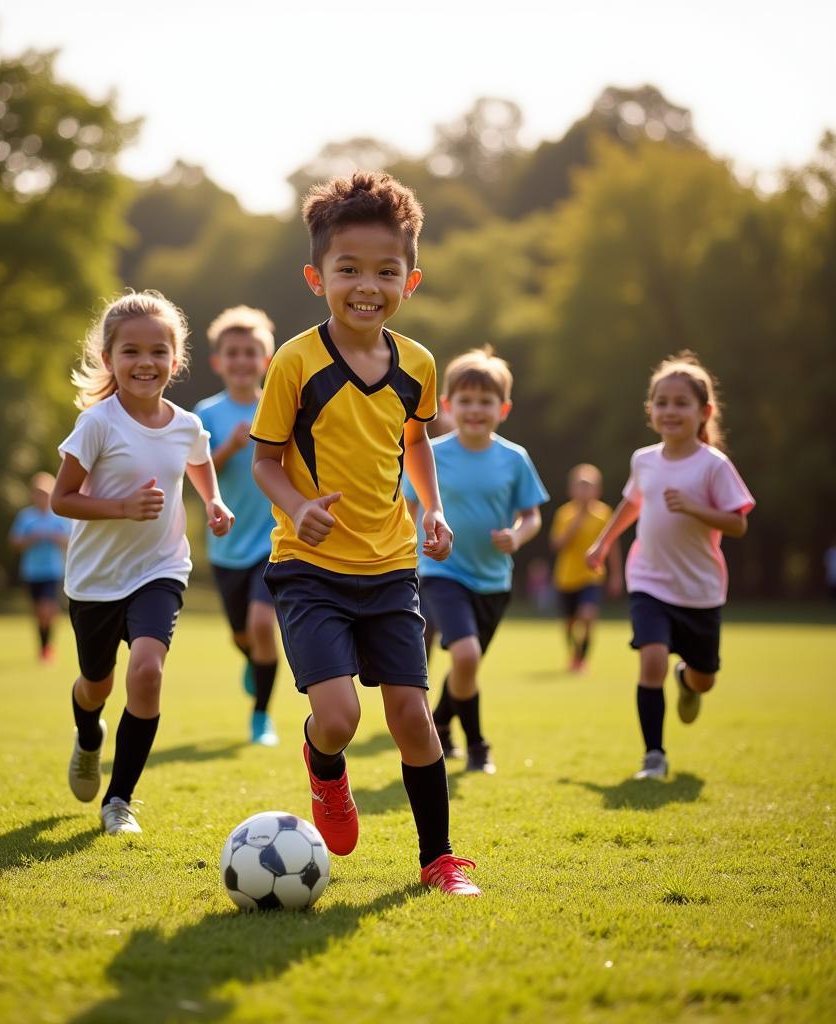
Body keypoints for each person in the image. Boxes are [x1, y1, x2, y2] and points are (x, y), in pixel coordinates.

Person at [250, 171, 480, 896]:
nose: (367, 285)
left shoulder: (418, 365)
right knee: (340, 716)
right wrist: (298, 505)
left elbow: (415, 444)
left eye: (386, 270)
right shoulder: (294, 362)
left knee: (415, 719)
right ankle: (325, 774)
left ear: (411, 279)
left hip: (390, 568)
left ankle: (439, 860)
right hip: (310, 568)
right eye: (349, 269)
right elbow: (264, 461)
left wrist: (432, 507)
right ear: (319, 276)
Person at [51, 291, 233, 835]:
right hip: (95, 580)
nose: (145, 362)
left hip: (161, 569)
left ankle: (119, 801)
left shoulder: (185, 424)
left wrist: (214, 501)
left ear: (175, 361)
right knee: (96, 684)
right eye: (131, 351)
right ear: (109, 360)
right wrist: (121, 508)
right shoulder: (97, 424)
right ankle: (88, 736)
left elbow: (199, 461)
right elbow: (62, 499)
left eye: (158, 351)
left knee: (148, 673)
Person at [586, 352, 754, 780]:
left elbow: (738, 523)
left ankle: (688, 678)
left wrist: (697, 509)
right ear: (651, 410)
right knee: (651, 659)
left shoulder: (713, 465)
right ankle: (654, 757)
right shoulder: (644, 459)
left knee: (703, 679)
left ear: (704, 412)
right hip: (649, 581)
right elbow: (632, 503)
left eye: (681, 403)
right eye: (661, 402)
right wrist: (603, 544)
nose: (670, 411)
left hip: (699, 589)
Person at [404, 348, 548, 774]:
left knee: (467, 665)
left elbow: (532, 514)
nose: (475, 410)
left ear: (502, 409)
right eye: (465, 400)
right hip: (441, 571)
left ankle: (443, 723)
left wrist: (517, 536)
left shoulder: (514, 458)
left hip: (494, 581)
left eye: (486, 401)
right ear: (446, 406)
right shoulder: (430, 453)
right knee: (465, 656)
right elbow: (405, 508)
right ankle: (478, 745)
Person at [194, 306, 281, 746]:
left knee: (263, 624)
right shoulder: (206, 414)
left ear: (265, 360)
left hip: (276, 539)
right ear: (218, 361)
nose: (242, 360)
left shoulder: (280, 405)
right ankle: (254, 659)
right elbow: (195, 469)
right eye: (233, 352)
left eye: (251, 352)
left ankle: (261, 716)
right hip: (227, 544)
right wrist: (228, 447)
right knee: (242, 633)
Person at [549, 464, 622, 673]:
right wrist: (577, 521)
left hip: (592, 575)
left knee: (588, 615)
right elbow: (557, 545)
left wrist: (616, 575)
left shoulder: (605, 514)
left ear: (597, 489)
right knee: (570, 624)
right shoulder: (564, 514)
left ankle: (582, 659)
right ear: (571, 489)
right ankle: (574, 654)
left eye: (588, 486)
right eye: (580, 486)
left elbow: (612, 546)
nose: (584, 490)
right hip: (566, 577)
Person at [9, 472, 72, 661]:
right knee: (38, 613)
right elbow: (15, 542)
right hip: (32, 571)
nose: (41, 497)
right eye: (38, 493)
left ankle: (48, 648)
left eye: (45, 493)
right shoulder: (26, 517)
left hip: (53, 571)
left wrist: (56, 538)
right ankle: (43, 646)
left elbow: (71, 542)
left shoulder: (60, 516)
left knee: (47, 610)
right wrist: (30, 539)